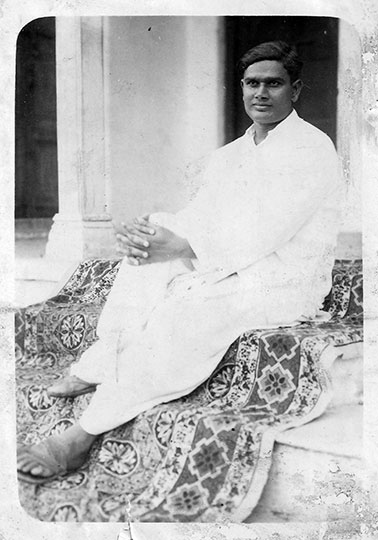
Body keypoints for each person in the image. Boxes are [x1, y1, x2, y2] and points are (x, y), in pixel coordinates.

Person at [17, 40, 341, 483]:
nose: (261, 93)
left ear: (296, 89)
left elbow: (268, 231)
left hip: (282, 278)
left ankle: (80, 434)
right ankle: (99, 363)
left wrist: (184, 247)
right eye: (252, 83)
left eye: (274, 83)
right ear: (241, 88)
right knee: (155, 239)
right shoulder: (232, 154)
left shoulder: (312, 149)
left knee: (183, 309)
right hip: (229, 261)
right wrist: (154, 236)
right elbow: (201, 218)